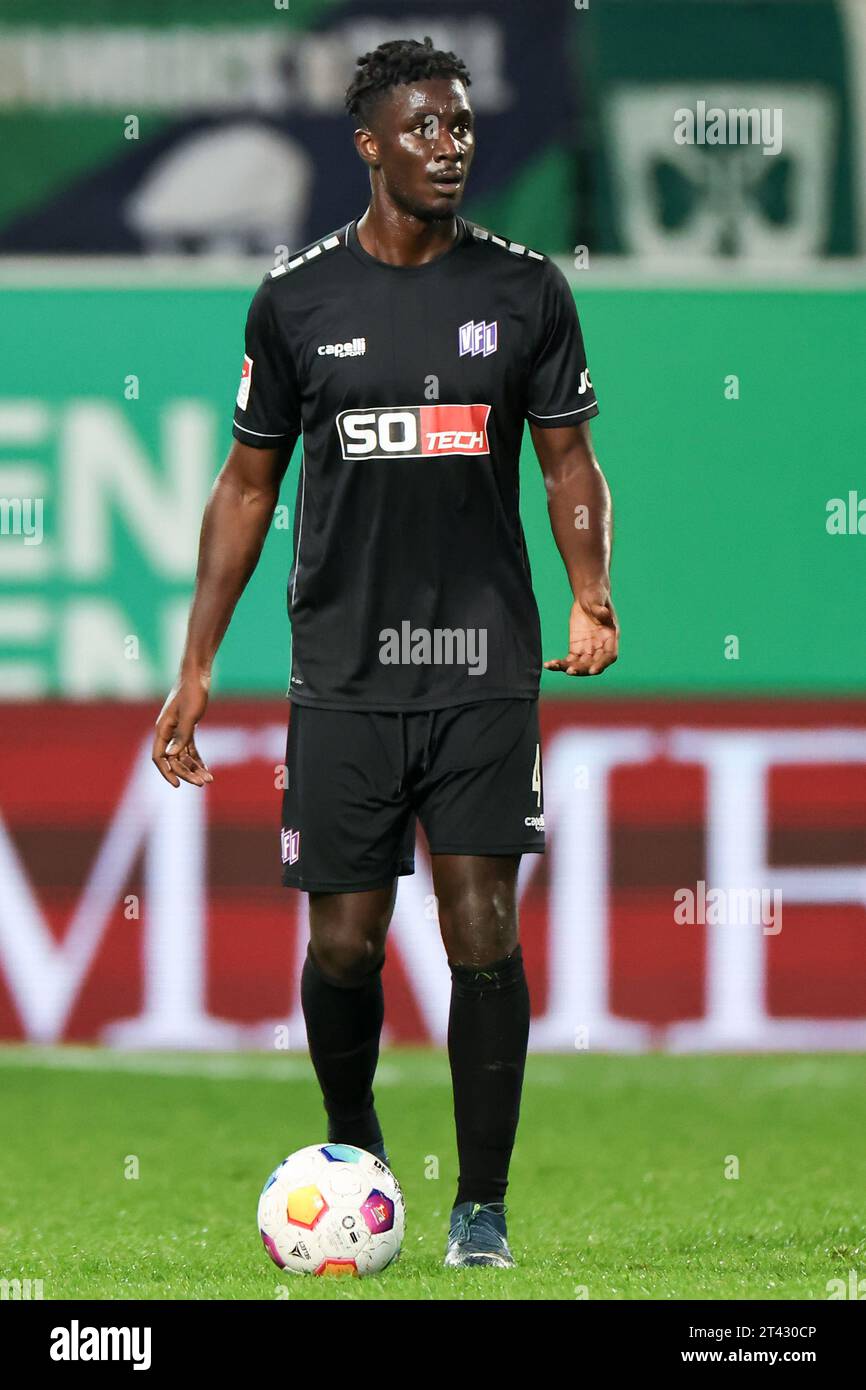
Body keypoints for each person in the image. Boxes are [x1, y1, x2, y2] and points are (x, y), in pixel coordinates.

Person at [152, 36, 618, 1269]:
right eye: (423, 128)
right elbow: (246, 488)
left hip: (480, 664)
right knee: (342, 944)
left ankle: (480, 1209)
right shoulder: (297, 298)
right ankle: (352, 1139)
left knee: (483, 934)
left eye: (461, 126)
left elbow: (567, 461)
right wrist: (196, 664)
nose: (449, 146)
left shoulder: (524, 291)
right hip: (344, 673)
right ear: (368, 144)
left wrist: (590, 593)